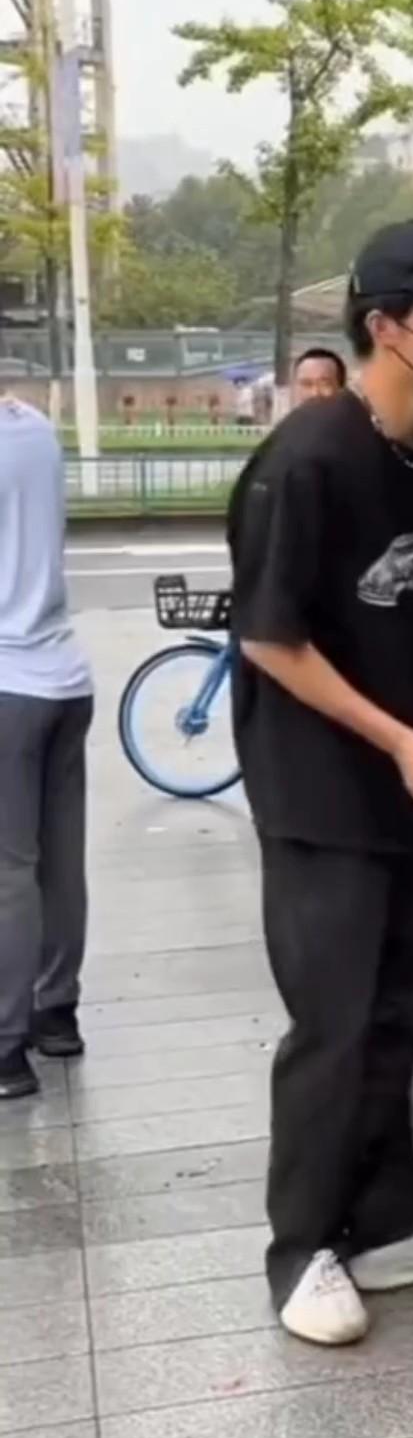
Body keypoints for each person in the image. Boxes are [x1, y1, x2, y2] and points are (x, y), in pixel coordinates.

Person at [227, 219, 413, 1345]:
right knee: (335, 1024)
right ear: (383, 325)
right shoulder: (304, 461)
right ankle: (302, 1248)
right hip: (319, 792)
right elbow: (270, 639)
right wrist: (396, 740)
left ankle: (391, 1224)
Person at [0, 399, 93, 1101]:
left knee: (9, 871)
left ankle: (5, 1047)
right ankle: (55, 1012)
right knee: (60, 862)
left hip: (6, 685)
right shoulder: (36, 429)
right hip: (65, 678)